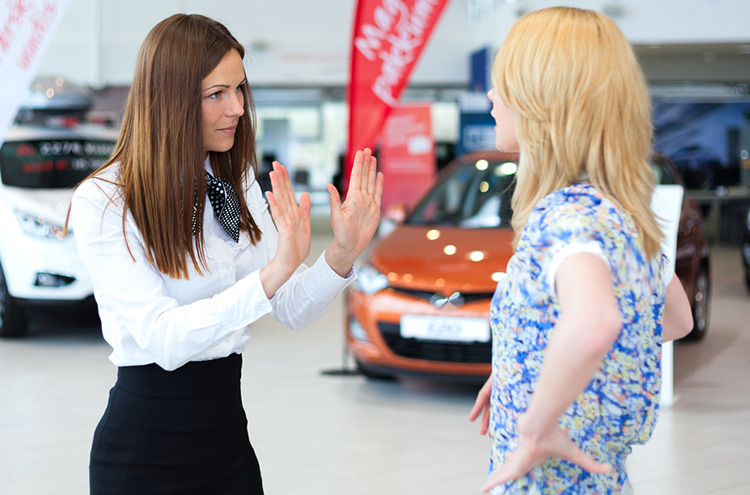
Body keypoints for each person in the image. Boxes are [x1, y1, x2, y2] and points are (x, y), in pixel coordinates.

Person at [68, 14, 383, 495]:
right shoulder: (108, 199)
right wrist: (270, 275)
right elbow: (163, 340)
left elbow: (291, 308)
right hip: (145, 448)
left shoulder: (232, 183)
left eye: (239, 88)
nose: (237, 107)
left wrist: (340, 254)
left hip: (227, 439)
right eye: (216, 94)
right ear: (169, 100)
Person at [467, 7, 694, 494]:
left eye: (504, 82)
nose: (491, 96)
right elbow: (673, 318)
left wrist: (536, 424)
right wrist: (523, 370)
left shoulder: (566, 216)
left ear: (541, 100)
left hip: (548, 482)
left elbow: (595, 324)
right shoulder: (617, 212)